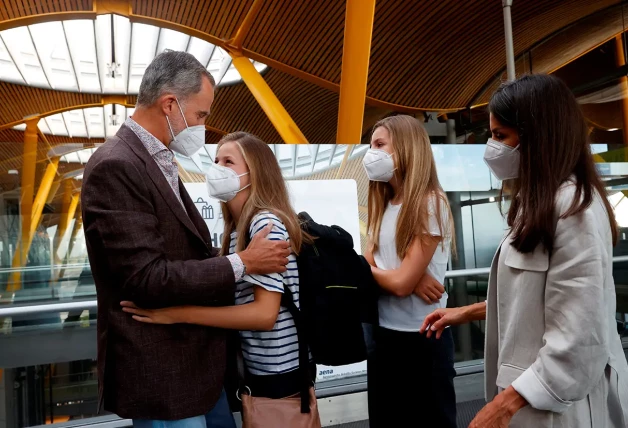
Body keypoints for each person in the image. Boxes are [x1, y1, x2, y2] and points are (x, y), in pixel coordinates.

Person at [81, 53, 290, 428]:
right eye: (201, 116)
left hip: (194, 370)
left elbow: (182, 250)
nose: (202, 127)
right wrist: (244, 263)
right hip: (164, 374)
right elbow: (146, 278)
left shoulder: (155, 159)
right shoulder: (117, 165)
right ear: (169, 104)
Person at [421, 74, 628, 428]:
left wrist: (504, 406)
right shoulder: (541, 203)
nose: (492, 147)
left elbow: (580, 337)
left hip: (556, 408)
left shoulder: (573, 210)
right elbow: (538, 299)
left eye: (501, 135)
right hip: (533, 401)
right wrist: (465, 312)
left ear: (538, 138)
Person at [120, 133, 322, 428]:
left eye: (228, 162)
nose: (217, 169)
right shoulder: (238, 230)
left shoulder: (265, 224)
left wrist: (179, 315)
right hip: (260, 374)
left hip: (280, 376)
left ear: (256, 173)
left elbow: (264, 315)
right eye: (216, 160)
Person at [362, 115, 457, 427]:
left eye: (379, 144)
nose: (371, 152)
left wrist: (406, 277)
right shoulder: (383, 203)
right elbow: (366, 266)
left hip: (423, 339)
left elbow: (396, 281)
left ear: (405, 148)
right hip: (383, 336)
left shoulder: (431, 202)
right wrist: (407, 276)